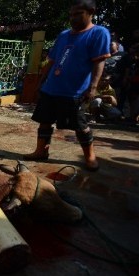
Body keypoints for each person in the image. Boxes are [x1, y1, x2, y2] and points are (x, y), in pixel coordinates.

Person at [23, 0, 110, 171]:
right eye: (71, 14)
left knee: (80, 126)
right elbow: (52, 61)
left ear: (91, 12)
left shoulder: (98, 33)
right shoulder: (63, 35)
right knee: (44, 121)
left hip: (74, 91)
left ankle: (90, 157)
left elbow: (99, 62)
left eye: (77, 14)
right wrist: (41, 81)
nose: (73, 18)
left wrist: (92, 87)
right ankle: (41, 151)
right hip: (52, 88)